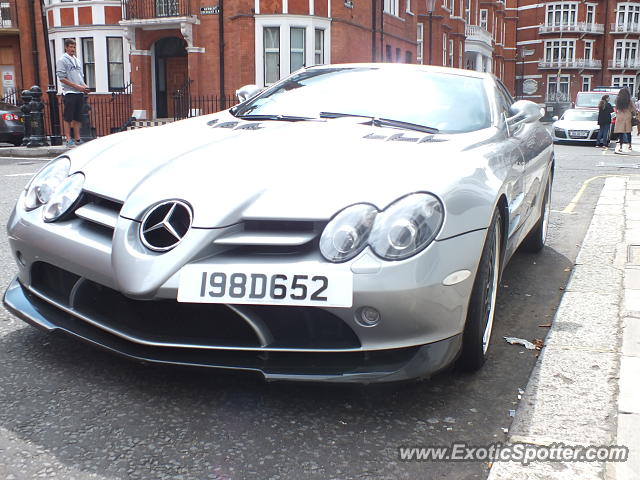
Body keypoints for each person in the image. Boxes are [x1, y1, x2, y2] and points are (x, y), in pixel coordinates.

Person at [56, 38, 90, 147]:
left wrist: (84, 86)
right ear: (66, 47)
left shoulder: (77, 60)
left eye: (74, 47)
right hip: (69, 92)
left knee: (78, 117)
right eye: (70, 47)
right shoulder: (62, 60)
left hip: (79, 92)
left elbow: (80, 76)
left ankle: (77, 138)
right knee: (68, 117)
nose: (72, 49)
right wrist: (77, 86)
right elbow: (62, 78)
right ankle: (68, 139)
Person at [613, 87, 637, 154]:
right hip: (627, 116)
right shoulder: (629, 101)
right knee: (628, 132)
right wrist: (634, 115)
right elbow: (633, 109)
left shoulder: (617, 100)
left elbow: (616, 108)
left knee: (621, 133)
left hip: (620, 116)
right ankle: (629, 145)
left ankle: (620, 146)